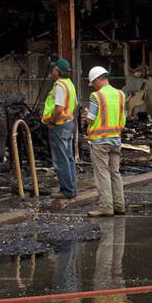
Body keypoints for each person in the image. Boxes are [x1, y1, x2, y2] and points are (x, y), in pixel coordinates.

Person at [84, 66, 127, 218]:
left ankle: (106, 208)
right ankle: (119, 205)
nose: (93, 86)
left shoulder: (96, 96)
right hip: (116, 140)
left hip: (100, 141)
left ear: (97, 80)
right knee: (115, 173)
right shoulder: (120, 94)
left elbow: (91, 119)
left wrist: (86, 115)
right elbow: (123, 119)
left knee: (102, 174)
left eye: (93, 83)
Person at [42, 58, 78, 199]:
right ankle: (71, 188)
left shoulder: (59, 86)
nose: (52, 71)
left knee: (61, 159)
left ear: (57, 71)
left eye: (53, 69)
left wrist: (52, 121)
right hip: (68, 123)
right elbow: (75, 104)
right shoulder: (70, 84)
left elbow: (58, 108)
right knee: (69, 158)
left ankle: (67, 191)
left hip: (59, 126)